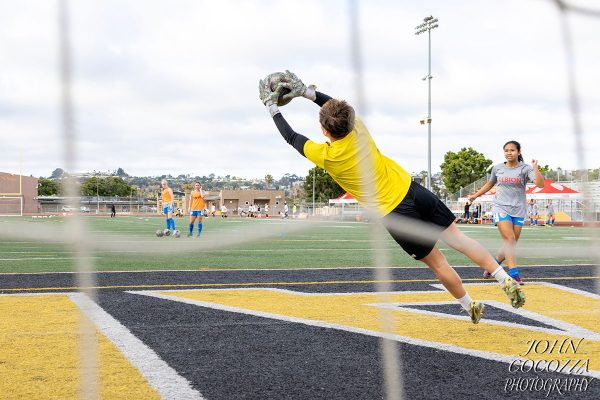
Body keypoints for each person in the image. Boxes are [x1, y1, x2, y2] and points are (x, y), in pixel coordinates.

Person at [259, 70, 526, 323]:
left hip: (395, 214)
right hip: (413, 190)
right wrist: (306, 92)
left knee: (438, 263)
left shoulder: (326, 156)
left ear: (325, 131)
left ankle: (471, 306)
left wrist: (273, 108)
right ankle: (504, 279)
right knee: (460, 239)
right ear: (350, 121)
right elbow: (333, 108)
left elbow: (292, 137)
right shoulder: (358, 130)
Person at [468, 141, 544, 284]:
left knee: (511, 243)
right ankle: (514, 275)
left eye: (512, 150)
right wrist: (475, 195)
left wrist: (535, 168)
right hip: (500, 207)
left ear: (519, 152)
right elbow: (489, 184)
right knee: (509, 240)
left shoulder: (526, 168)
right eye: (506, 150)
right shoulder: (497, 168)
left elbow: (540, 184)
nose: (509, 153)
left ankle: (493, 266)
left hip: (519, 209)